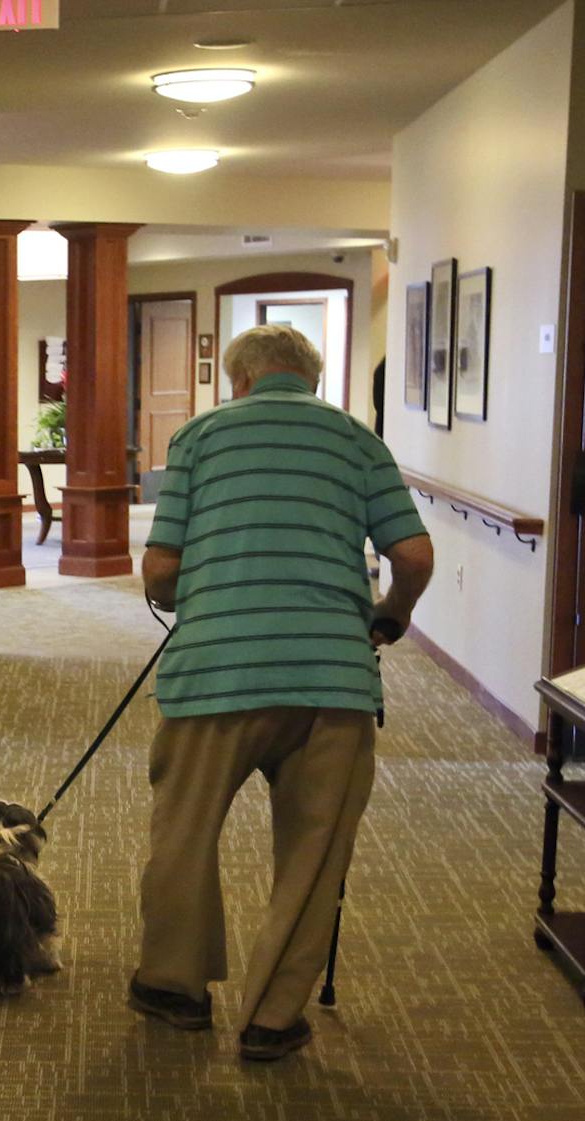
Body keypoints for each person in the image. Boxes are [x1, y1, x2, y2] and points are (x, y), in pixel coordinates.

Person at [129, 324, 435, 1062]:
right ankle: (271, 1017)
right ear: (312, 375)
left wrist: (201, 588)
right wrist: (391, 615)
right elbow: (415, 554)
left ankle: (175, 985)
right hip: (331, 678)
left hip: (215, 672)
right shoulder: (359, 442)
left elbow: (159, 568)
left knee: (184, 834)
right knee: (313, 851)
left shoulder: (199, 438)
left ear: (239, 379)